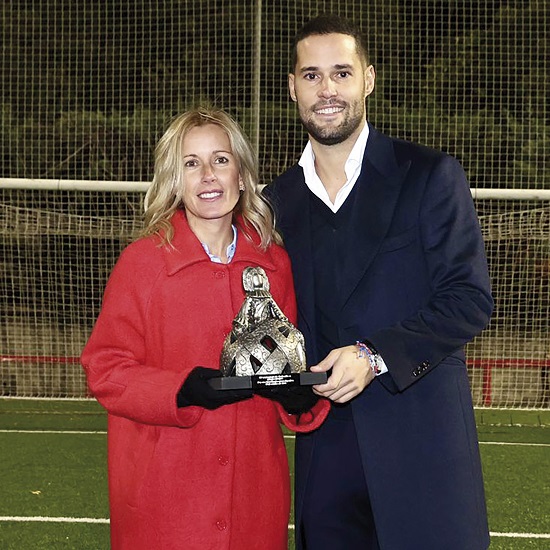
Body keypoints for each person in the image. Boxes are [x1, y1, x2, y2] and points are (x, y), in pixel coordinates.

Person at [265, 15, 494, 550]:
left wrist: (372, 356)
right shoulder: (274, 205)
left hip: (423, 445)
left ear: (368, 79)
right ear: (292, 87)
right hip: (326, 458)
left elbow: (468, 299)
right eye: (312, 75)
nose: (327, 90)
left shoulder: (429, 175)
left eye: (341, 73)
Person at [81, 106, 329, 550]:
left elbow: (290, 365)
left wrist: (300, 398)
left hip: (254, 501)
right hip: (164, 498)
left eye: (220, 159)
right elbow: (106, 370)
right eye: (191, 163)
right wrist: (180, 390)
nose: (208, 175)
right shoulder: (142, 263)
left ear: (241, 172)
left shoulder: (274, 264)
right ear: (175, 179)